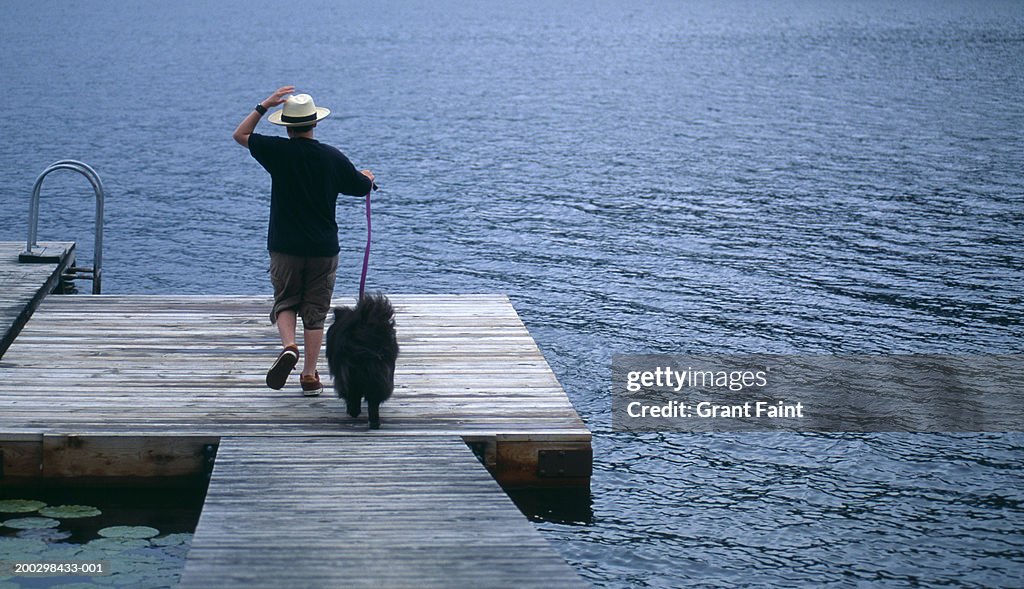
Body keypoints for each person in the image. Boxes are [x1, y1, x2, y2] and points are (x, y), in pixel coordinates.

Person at [233, 85, 375, 396]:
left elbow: (240, 135)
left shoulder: (277, 152)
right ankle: (309, 375)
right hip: (323, 249)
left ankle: (289, 346)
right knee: (315, 310)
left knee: (286, 300)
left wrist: (264, 105)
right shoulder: (331, 158)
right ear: (315, 123)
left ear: (286, 126)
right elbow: (360, 187)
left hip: (285, 245)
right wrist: (367, 178)